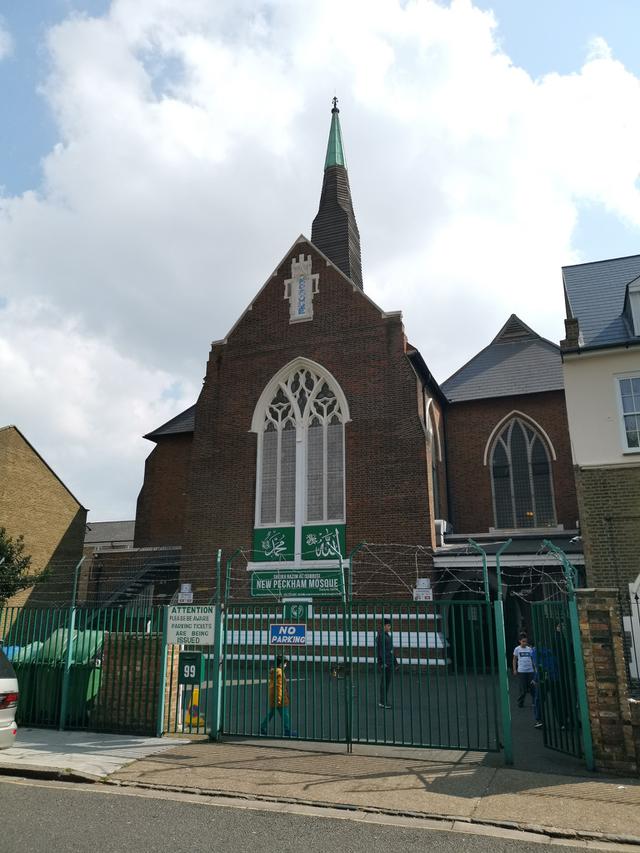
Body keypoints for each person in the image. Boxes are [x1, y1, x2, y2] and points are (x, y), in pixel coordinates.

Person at [260, 655, 293, 736]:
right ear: (281, 664)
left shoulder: (275, 671)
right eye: (285, 663)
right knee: (285, 715)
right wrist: (279, 699)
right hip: (280, 699)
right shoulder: (280, 672)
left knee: (271, 713)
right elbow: (278, 687)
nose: (286, 665)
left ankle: (262, 727)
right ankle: (287, 731)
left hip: (274, 698)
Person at [376, 618, 397, 709]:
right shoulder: (382, 636)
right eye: (388, 625)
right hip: (386, 663)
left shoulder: (386, 635)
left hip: (389, 661)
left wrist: (395, 662)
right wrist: (383, 663)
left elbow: (390, 650)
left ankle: (383, 701)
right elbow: (381, 651)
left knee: (386, 682)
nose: (390, 627)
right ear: (384, 626)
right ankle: (383, 702)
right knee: (385, 682)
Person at [512, 633, 536, 709]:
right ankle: (520, 703)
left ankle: (534, 702)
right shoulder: (517, 649)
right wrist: (514, 669)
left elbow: (533, 660)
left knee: (533, 688)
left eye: (526, 641)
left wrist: (535, 669)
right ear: (520, 641)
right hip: (521, 671)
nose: (525, 643)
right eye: (523, 641)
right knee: (523, 689)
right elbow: (514, 659)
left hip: (530, 671)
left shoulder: (530, 649)